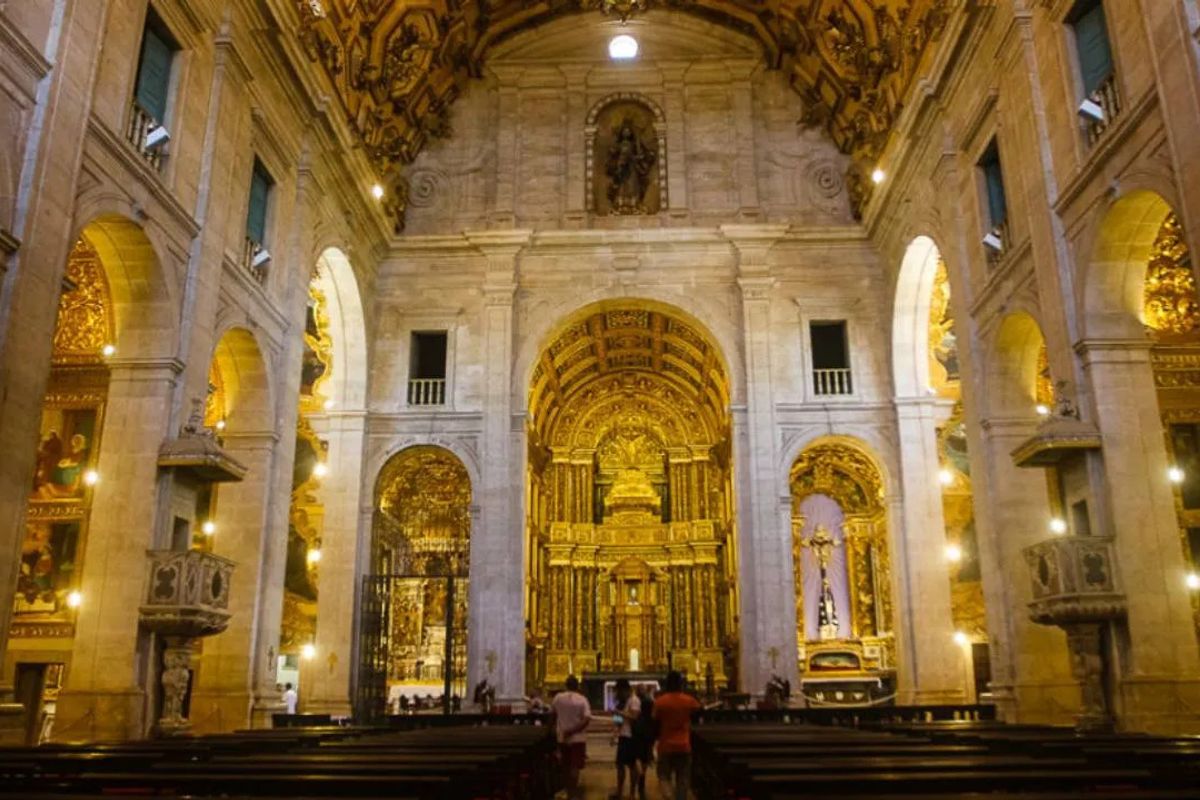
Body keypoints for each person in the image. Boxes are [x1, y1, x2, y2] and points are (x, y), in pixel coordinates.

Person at [652, 671, 701, 800]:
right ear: (681, 684)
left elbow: (654, 722)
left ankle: (668, 797)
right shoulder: (689, 700)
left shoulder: (660, 702)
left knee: (663, 776)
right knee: (683, 779)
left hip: (665, 745)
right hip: (684, 744)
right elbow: (698, 715)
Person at [551, 675, 592, 800]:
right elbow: (587, 718)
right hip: (577, 738)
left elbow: (553, 714)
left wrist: (555, 730)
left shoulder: (558, 698)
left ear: (566, 685)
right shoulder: (582, 699)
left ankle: (566, 790)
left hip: (562, 736)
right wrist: (573, 730)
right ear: (578, 686)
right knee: (575, 766)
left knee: (565, 765)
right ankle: (572, 793)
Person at [610, 678, 641, 800]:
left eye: (619, 691)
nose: (618, 694)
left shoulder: (634, 700)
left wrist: (619, 713)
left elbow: (634, 717)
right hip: (624, 735)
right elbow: (619, 721)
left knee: (631, 765)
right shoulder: (623, 702)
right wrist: (615, 733)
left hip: (631, 737)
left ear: (625, 690)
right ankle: (619, 791)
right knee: (619, 764)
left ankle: (633, 793)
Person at [631, 685, 657, 800]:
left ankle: (633, 789)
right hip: (648, 731)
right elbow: (654, 717)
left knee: (636, 757)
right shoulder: (650, 701)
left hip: (636, 731)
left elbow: (630, 717)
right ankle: (642, 776)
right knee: (645, 757)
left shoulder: (633, 701)